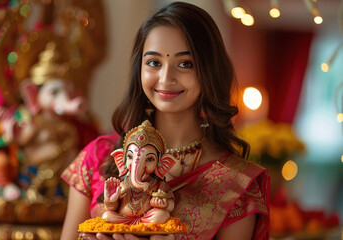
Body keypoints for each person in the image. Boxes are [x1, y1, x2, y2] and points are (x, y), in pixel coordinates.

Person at [60, 2, 269, 240]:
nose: (166, 78)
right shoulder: (98, 156)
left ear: (209, 70)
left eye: (185, 64)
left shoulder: (235, 185)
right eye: (154, 62)